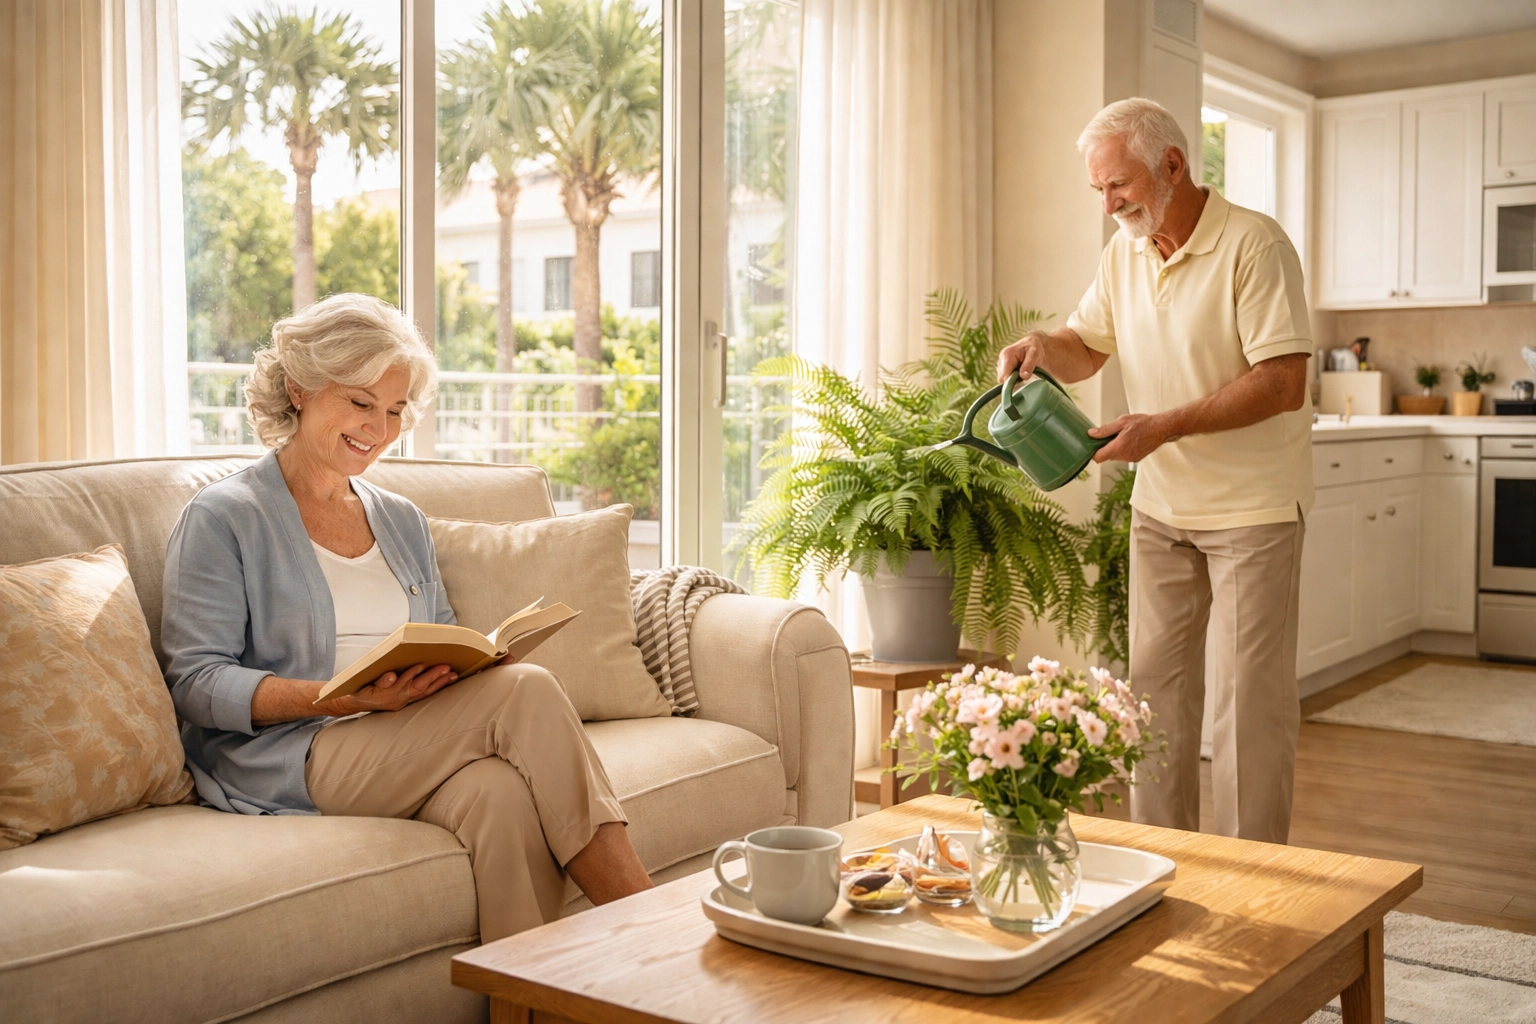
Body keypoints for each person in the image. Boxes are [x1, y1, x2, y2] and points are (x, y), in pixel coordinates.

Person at [162, 293, 652, 941]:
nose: (380, 427)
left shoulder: (400, 519)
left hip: (401, 739)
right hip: (292, 753)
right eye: (361, 403)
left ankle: (530, 1006)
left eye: (395, 410)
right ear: (300, 390)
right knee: (526, 692)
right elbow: (194, 684)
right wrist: (334, 698)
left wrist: (464, 667)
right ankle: (653, 927)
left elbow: (438, 632)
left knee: (497, 794)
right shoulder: (225, 517)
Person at [997, 98, 1313, 844]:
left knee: (1248, 707)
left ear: (1172, 165)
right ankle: (1162, 863)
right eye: (1098, 191)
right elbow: (1087, 343)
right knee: (1154, 699)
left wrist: (1163, 426)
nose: (1109, 206)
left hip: (1252, 511)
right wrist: (1045, 346)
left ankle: (1252, 879)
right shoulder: (1125, 254)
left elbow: (1283, 381)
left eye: (1120, 187)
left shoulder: (1254, 246)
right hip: (1162, 508)